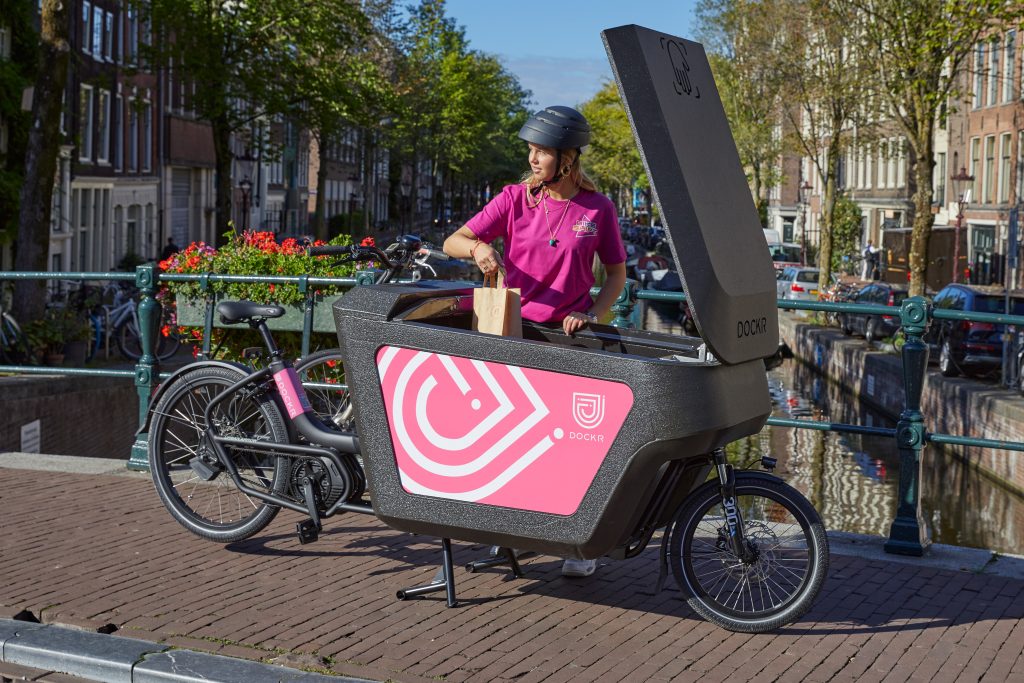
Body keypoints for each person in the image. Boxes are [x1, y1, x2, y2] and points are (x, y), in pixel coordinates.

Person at [443, 105, 627, 577]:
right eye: (530, 150)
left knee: (570, 446)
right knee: (504, 441)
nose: (532, 159)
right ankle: (506, 538)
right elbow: (453, 241)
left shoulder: (597, 208)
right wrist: (480, 247)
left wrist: (592, 313)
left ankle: (577, 547)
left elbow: (617, 275)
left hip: (565, 339)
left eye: (541, 151)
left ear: (567, 158)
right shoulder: (514, 200)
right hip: (511, 333)